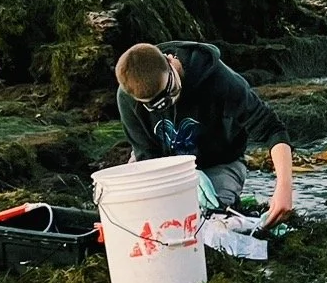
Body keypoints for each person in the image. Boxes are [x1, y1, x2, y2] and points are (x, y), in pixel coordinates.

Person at [115, 41, 296, 226]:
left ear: (169, 61)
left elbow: (272, 128)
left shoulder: (219, 79)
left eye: (170, 91)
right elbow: (146, 156)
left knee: (209, 220)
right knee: (137, 216)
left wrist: (284, 187)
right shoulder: (126, 98)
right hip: (159, 166)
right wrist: (183, 176)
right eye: (155, 104)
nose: (167, 103)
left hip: (218, 163)